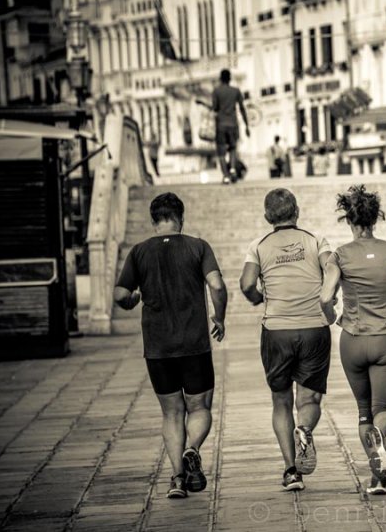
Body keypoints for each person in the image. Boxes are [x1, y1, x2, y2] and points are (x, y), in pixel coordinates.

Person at [113, 192, 227, 499]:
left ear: (153, 221)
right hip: (194, 345)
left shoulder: (138, 252)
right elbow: (216, 285)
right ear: (181, 217)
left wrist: (133, 300)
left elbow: (120, 294)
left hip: (158, 348)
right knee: (199, 407)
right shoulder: (198, 246)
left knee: (172, 414)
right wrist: (219, 317)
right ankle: (193, 449)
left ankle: (177, 479)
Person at [320, 185, 386, 495]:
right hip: (385, 342)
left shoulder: (340, 255)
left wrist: (332, 314)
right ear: (374, 219)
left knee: (364, 411)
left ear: (350, 222)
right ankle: (380, 438)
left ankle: (377, 478)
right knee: (385, 410)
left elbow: (326, 295)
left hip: (352, 341)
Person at [239, 189, 332, 491]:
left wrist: (258, 298)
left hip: (276, 331)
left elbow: (246, 284)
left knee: (281, 401)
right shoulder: (315, 240)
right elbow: (333, 267)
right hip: (313, 328)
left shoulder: (259, 245)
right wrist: (327, 297)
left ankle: (292, 471)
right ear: (297, 211)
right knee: (310, 399)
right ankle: (304, 429)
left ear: (268, 217)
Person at [212, 69, 250, 184]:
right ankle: (233, 170)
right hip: (233, 124)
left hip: (221, 125)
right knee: (233, 148)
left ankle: (226, 176)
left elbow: (215, 108)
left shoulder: (216, 91)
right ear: (230, 78)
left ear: (220, 78)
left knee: (221, 152)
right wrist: (247, 125)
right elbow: (242, 108)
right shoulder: (236, 91)